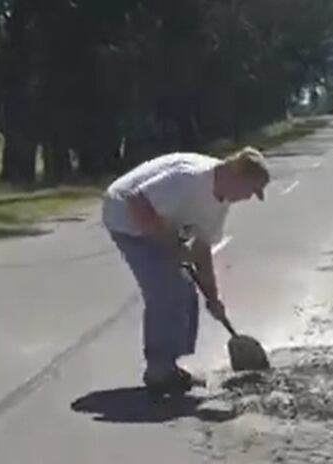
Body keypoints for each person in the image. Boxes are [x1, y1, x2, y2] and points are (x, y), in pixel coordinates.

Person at [102, 147, 271, 395]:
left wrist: (213, 298)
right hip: (125, 217)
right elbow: (135, 199)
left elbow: (202, 250)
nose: (248, 197)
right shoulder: (189, 179)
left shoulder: (219, 204)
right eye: (250, 190)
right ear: (236, 175)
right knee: (166, 289)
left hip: (160, 218)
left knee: (186, 289)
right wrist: (170, 244)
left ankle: (170, 366)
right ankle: (159, 373)